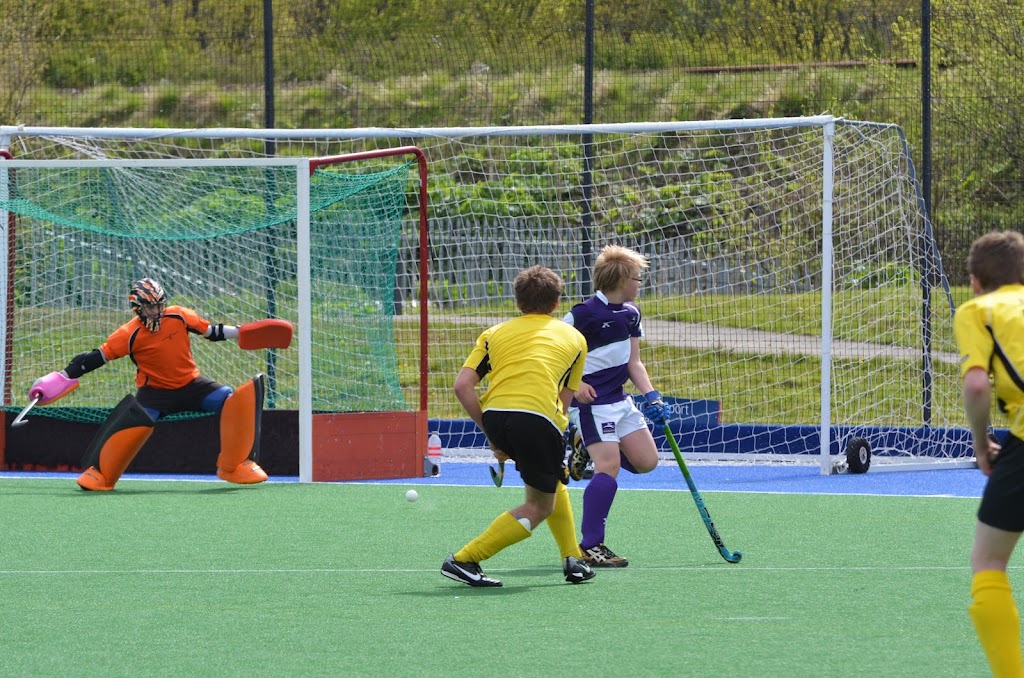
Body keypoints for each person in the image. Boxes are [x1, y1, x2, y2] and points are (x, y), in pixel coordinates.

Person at [31, 277, 288, 491]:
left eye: (158, 306)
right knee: (132, 424)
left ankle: (235, 466)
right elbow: (95, 358)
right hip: (154, 394)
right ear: (137, 308)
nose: (155, 312)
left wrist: (241, 331)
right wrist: (62, 377)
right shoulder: (128, 334)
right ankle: (100, 474)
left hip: (192, 385)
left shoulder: (179, 316)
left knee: (233, 402)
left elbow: (211, 332)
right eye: (149, 308)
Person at [442, 265, 595, 587]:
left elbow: (462, 386)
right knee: (538, 506)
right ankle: (464, 559)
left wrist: (491, 434)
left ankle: (573, 559)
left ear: (518, 301)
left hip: (496, 416)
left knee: (551, 482)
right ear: (557, 303)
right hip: (538, 419)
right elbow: (562, 402)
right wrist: (560, 438)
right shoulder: (576, 339)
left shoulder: (493, 333)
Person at [563, 244, 664, 568]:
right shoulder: (581, 315)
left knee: (647, 462)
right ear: (622, 280)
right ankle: (590, 546)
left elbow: (634, 362)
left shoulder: (631, 314)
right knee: (609, 467)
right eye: (637, 278)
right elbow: (554, 356)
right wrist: (576, 384)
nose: (640, 284)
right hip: (592, 405)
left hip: (621, 401)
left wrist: (652, 395)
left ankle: (585, 446)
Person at [953, 230, 1024, 677]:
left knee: (989, 562)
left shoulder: (978, 311)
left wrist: (981, 445)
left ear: (976, 282)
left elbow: (977, 385)